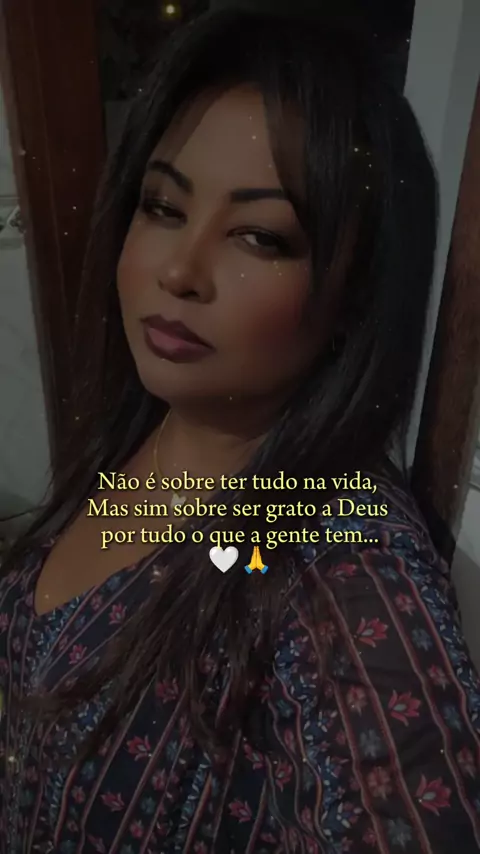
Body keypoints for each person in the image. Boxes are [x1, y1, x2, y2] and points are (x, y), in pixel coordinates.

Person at [1, 4, 480, 852]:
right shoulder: (152, 426)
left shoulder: (333, 553)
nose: (180, 271)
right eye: (162, 207)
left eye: (259, 236)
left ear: (355, 294)